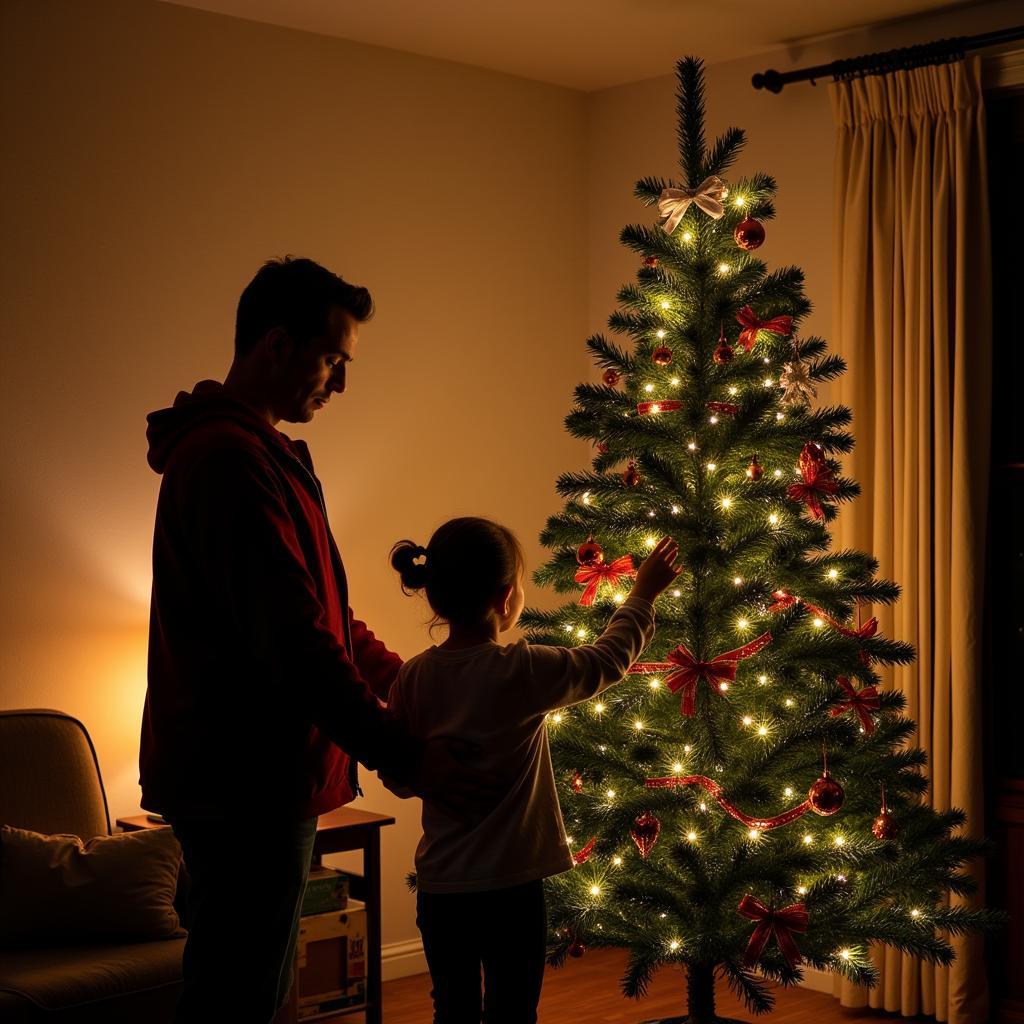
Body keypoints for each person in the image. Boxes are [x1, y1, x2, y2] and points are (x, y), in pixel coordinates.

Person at [140, 257, 497, 1023]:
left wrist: (413, 685)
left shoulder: (268, 454)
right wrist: (404, 754)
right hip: (245, 785)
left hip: (257, 781)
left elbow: (327, 617)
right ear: (276, 344)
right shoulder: (229, 463)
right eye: (333, 359)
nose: (340, 382)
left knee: (250, 987)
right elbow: (294, 641)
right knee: (239, 997)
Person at [386, 518, 680, 1024]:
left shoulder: (413, 676)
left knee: (451, 1008)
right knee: (514, 1009)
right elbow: (607, 660)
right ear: (506, 598)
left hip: (442, 891)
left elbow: (397, 773)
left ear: (435, 599)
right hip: (511, 890)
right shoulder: (519, 670)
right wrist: (642, 595)